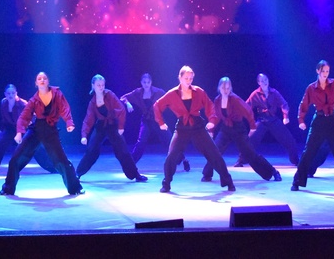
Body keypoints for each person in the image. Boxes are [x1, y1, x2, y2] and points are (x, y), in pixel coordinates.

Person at [0, 72, 84, 196]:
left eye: (44, 78)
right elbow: (24, 116)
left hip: (50, 131)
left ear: (48, 81)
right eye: (39, 79)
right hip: (36, 130)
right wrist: (19, 132)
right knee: (16, 158)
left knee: (61, 161)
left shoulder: (57, 94)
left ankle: (75, 188)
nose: (42, 80)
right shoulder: (34, 100)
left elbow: (64, 108)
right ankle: (8, 188)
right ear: (36, 83)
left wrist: (69, 122)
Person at [154, 65, 235, 193]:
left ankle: (228, 181)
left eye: (191, 78)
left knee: (214, 153)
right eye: (186, 78)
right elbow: (157, 106)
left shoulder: (198, 91)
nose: (188, 81)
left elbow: (210, 105)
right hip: (182, 127)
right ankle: (166, 184)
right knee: (172, 155)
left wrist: (212, 120)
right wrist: (160, 122)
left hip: (198, 126)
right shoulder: (172, 93)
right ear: (180, 78)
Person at [291, 60, 334, 191]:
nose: (325, 74)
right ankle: (297, 181)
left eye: (327, 71)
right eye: (323, 71)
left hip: (332, 121)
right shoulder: (311, 88)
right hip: (319, 121)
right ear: (318, 71)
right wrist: (301, 120)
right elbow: (303, 104)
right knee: (308, 151)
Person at [202, 77, 281, 183]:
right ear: (219, 88)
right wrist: (212, 127)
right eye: (223, 88)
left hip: (238, 129)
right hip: (225, 128)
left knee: (250, 155)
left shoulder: (235, 99)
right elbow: (217, 115)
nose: (226, 90)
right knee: (214, 150)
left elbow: (248, 111)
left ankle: (273, 172)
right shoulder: (217, 100)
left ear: (230, 88)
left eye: (228, 88)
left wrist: (253, 127)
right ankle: (207, 174)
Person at [76, 74, 148, 182]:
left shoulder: (109, 94)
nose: (101, 87)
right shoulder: (92, 102)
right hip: (101, 126)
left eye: (102, 85)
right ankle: (77, 173)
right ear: (93, 86)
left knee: (123, 151)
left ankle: (135, 174)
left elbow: (121, 109)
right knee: (91, 150)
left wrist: (121, 126)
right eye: (98, 85)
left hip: (113, 125)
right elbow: (88, 119)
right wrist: (84, 135)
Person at [120, 73, 190, 171]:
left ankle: (183, 160)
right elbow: (123, 97)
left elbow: (170, 98)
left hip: (158, 120)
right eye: (144, 82)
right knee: (141, 142)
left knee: (169, 141)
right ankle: (131, 165)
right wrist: (127, 104)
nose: (146, 84)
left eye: (148, 82)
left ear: (151, 82)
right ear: (141, 83)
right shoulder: (138, 92)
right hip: (146, 121)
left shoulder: (158, 92)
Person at [0, 84, 56, 175]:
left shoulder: (23, 104)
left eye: (13, 93)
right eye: (8, 93)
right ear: (5, 94)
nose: (11, 95)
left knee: (37, 147)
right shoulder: (3, 103)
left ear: (16, 93)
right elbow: (4, 119)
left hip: (24, 128)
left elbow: (33, 116)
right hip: (10, 128)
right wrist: (1, 131)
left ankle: (53, 167)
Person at [235, 73, 299, 166]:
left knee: (289, 139)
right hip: (262, 120)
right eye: (262, 81)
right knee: (250, 138)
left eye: (265, 80)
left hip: (273, 119)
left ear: (268, 80)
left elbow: (284, 104)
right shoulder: (255, 94)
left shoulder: (274, 92)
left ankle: (295, 160)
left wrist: (286, 116)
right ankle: (241, 160)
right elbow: (247, 106)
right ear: (258, 83)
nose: (264, 82)